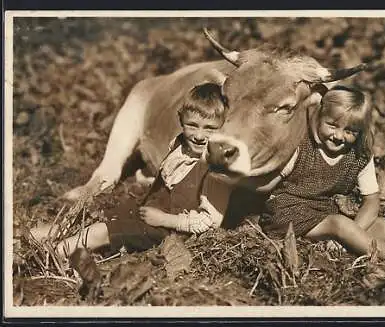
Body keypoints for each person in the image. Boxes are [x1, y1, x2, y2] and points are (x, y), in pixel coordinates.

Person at [30, 82, 233, 258]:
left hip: (170, 231)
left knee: (99, 232)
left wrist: (166, 220)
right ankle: (50, 235)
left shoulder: (217, 171)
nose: (198, 135)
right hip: (149, 208)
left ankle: (55, 259)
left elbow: (209, 222)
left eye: (209, 128)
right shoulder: (180, 144)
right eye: (192, 125)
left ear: (224, 128)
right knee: (103, 216)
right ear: (181, 121)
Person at [258, 85, 385, 265]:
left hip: (323, 212)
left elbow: (371, 200)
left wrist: (355, 232)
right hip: (287, 214)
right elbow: (267, 183)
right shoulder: (302, 147)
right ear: (318, 116)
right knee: (339, 224)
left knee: (382, 225)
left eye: (350, 131)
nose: (339, 136)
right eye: (332, 125)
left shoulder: (358, 155)